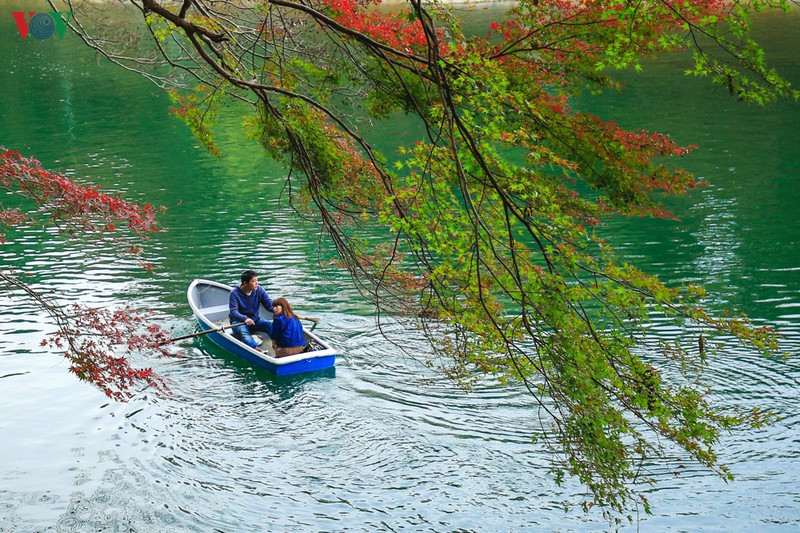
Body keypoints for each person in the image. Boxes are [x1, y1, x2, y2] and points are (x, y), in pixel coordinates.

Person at [229, 270, 274, 350]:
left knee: (270, 325)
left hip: (255, 321)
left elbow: (268, 304)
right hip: (238, 322)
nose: (257, 283)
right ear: (245, 283)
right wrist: (245, 319)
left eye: (257, 280)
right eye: (254, 281)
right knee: (244, 332)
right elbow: (233, 311)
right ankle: (257, 349)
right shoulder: (234, 293)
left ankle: (280, 344)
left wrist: (280, 310)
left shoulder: (259, 290)